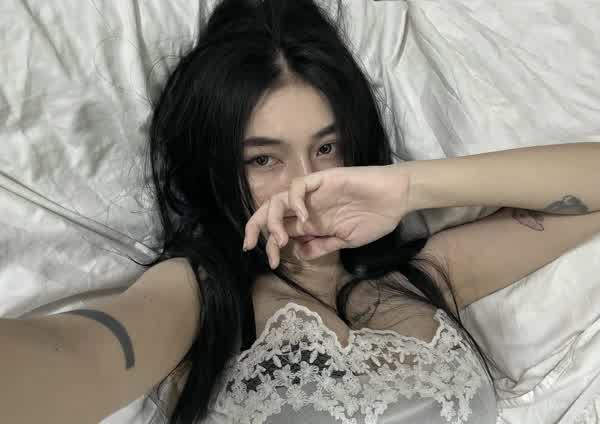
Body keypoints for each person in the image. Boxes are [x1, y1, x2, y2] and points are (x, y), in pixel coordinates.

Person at [2, 0, 598, 423]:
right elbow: (77, 359)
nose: (305, 188)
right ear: (218, 168)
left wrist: (407, 186)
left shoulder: (423, 276)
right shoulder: (199, 298)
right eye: (264, 160)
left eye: (326, 149)